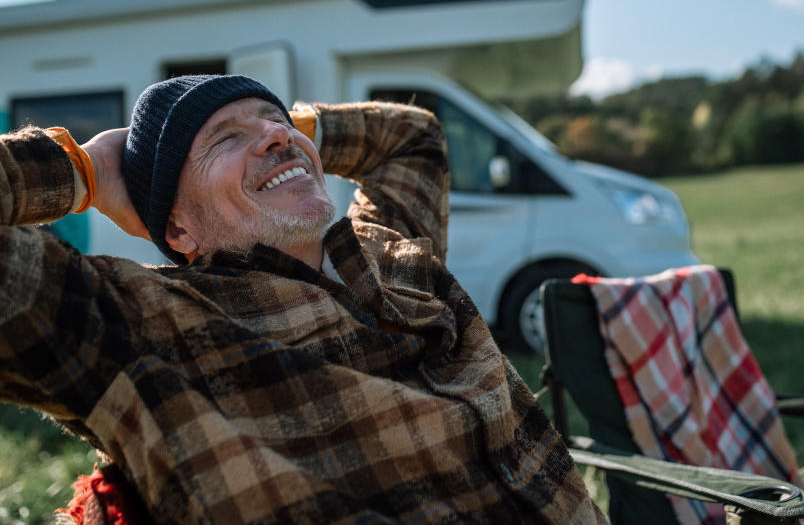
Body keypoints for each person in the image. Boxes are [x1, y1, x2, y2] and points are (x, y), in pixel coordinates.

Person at [0, 75, 604, 524]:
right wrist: (82, 169)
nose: (275, 135)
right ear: (178, 230)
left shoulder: (389, 251)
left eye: (277, 118)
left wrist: (294, 134)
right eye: (225, 139)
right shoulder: (140, 322)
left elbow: (412, 138)